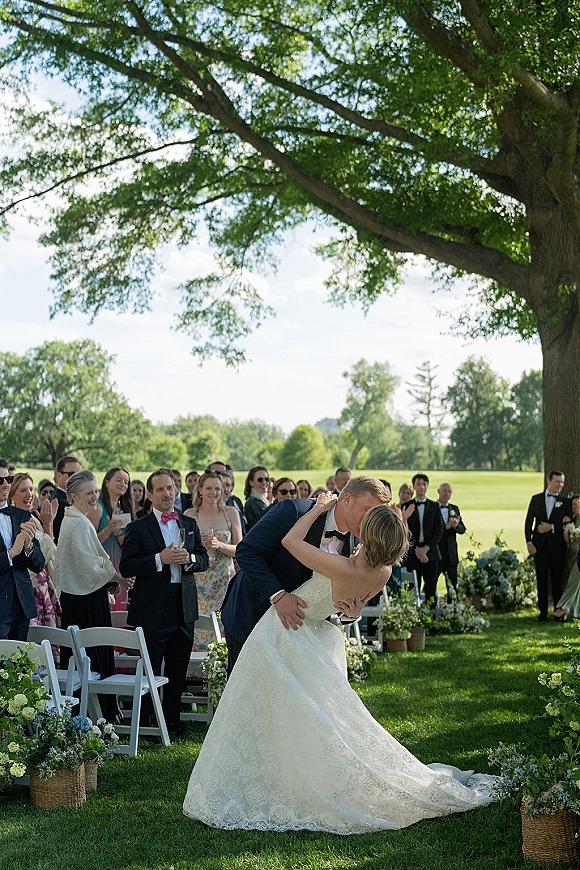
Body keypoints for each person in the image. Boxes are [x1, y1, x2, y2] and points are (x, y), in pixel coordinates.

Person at [183, 492, 495, 832]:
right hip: (302, 633)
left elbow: (291, 542)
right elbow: (345, 604)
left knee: (284, 713)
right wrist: (348, 613)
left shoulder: (342, 562)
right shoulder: (383, 572)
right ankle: (271, 777)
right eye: (365, 510)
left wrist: (317, 509)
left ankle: (281, 785)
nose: (361, 522)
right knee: (295, 715)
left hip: (286, 634)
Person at [221, 476, 390, 672]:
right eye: (367, 510)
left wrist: (350, 613)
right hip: (252, 616)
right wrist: (278, 595)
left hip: (303, 634)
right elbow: (247, 551)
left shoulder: (360, 544)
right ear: (347, 499)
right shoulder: (293, 511)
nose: (371, 520)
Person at [119, 468, 209, 735]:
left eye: (170, 487)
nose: (167, 493)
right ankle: (147, 720)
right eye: (160, 489)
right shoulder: (138, 527)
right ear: (149, 494)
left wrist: (189, 560)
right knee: (150, 665)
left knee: (178, 665)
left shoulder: (188, 524)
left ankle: (172, 720)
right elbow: (126, 566)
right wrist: (160, 559)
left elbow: (203, 558)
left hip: (183, 603)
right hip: (152, 606)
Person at [56, 470, 131, 721]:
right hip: (85, 601)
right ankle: (97, 716)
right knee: (91, 656)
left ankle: (91, 715)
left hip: (81, 595)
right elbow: (90, 567)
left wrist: (109, 578)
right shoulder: (77, 523)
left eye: (96, 491)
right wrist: (117, 578)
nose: (94, 496)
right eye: (89, 493)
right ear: (74, 496)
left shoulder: (76, 519)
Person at [184, 471, 242, 649]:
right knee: (199, 626)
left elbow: (240, 550)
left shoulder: (230, 513)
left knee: (223, 625)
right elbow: (184, 550)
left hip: (224, 580)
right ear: (200, 490)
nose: (213, 492)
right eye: (209, 488)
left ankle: (221, 670)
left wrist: (219, 545)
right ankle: (195, 672)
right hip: (198, 581)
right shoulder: (189, 514)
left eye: (217, 488)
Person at [0, 459, 45, 640]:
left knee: (20, 664)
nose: (5, 484)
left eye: (8, 479)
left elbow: (39, 564)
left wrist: (28, 548)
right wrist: (11, 554)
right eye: (0, 480)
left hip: (22, 603)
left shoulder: (23, 515)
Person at [9, 473, 61, 630]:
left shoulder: (34, 518)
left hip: (44, 588)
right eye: (23, 490)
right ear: (11, 495)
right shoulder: (13, 521)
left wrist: (48, 524)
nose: (29, 494)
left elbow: (49, 554)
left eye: (31, 489)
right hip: (28, 590)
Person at [525, 471, 572, 622]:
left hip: (558, 548)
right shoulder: (536, 499)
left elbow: (568, 524)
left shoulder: (565, 502)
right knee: (542, 579)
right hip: (540, 547)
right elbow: (528, 522)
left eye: (562, 482)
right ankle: (542, 612)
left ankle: (558, 612)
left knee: (557, 581)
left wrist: (551, 527)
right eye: (557, 481)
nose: (560, 485)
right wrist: (529, 542)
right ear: (549, 481)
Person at [91, 466, 135, 611]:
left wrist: (117, 532)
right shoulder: (97, 507)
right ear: (107, 482)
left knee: (120, 615)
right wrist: (108, 528)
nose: (123, 484)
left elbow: (128, 545)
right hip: (102, 569)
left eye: (126, 482)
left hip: (121, 569)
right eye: (119, 480)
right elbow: (90, 543)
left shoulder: (126, 509)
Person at [401, 473, 444, 603]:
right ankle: (413, 618)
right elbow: (405, 532)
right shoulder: (407, 506)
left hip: (431, 552)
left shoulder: (435, 506)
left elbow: (439, 530)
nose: (421, 487)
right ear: (414, 486)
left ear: (427, 486)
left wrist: (425, 549)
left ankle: (431, 619)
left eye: (424, 484)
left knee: (431, 589)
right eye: (418, 484)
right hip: (413, 553)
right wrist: (417, 550)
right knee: (413, 589)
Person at [437, 482, 466, 595]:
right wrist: (446, 527)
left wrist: (456, 526)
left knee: (453, 586)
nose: (447, 494)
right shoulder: (433, 508)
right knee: (431, 583)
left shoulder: (454, 509)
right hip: (437, 553)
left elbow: (462, 529)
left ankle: (452, 608)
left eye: (449, 491)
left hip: (451, 554)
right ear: (439, 492)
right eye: (444, 491)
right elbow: (431, 531)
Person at [554, 495, 580, 620]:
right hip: (571, 553)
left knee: (574, 580)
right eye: (574, 505)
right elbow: (567, 540)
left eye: (578, 504)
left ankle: (563, 607)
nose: (576, 507)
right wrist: (566, 528)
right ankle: (574, 611)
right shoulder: (572, 519)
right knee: (571, 580)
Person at [50, 455, 82, 543]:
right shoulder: (58, 502)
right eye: (73, 474)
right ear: (59, 476)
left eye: (80, 475)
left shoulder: (74, 498)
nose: (78, 478)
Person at [243, 466, 270, 531]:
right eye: (260, 480)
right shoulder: (251, 502)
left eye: (266, 479)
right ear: (251, 483)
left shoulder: (264, 500)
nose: (264, 483)